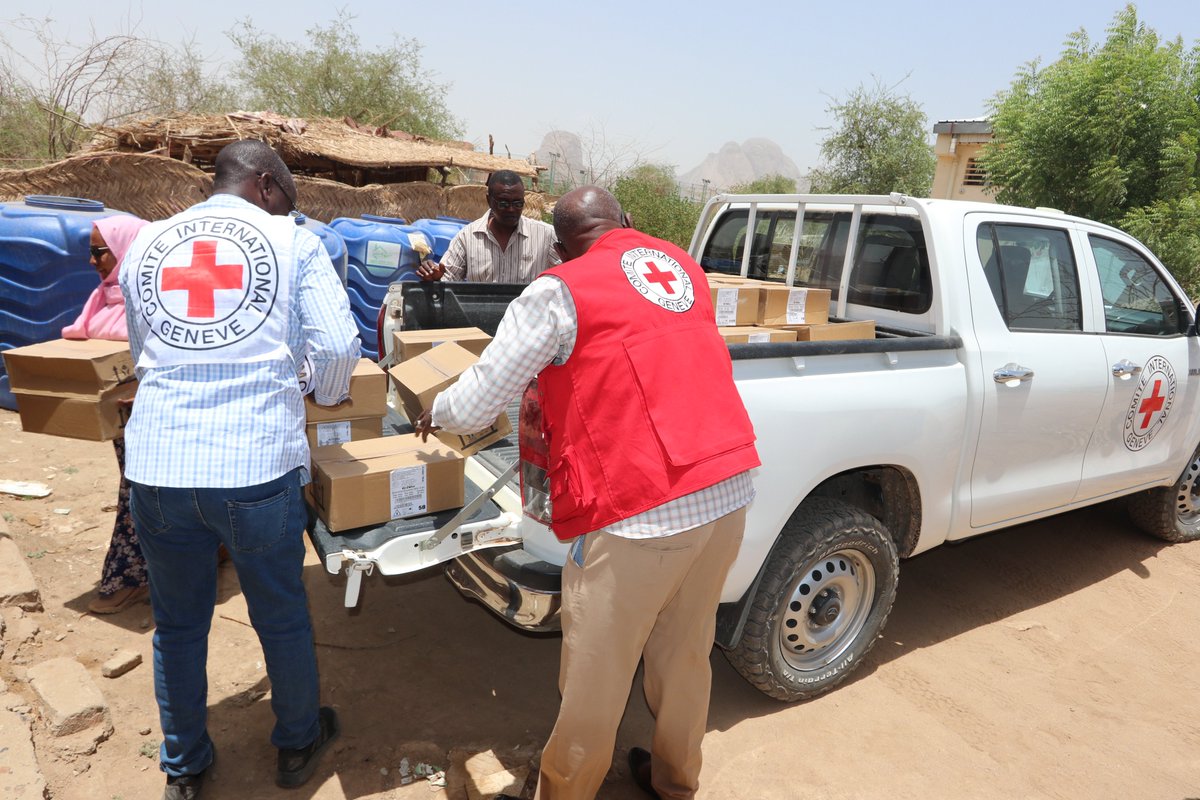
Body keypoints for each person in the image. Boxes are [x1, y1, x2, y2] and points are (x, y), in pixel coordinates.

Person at [415, 186, 760, 800]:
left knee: (595, 682)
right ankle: (676, 782)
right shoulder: (683, 268)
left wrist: (432, 407)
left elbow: (479, 400)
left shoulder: (558, 290)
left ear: (561, 245)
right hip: (726, 491)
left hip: (640, 514)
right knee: (684, 656)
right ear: (628, 222)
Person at [118, 140, 361, 800]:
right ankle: (297, 741)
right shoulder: (290, 241)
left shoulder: (146, 242)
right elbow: (338, 346)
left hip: (160, 466)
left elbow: (143, 354)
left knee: (177, 625)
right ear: (264, 183)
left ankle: (185, 765)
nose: (289, 207)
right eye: (287, 194)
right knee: (280, 615)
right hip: (254, 462)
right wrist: (326, 392)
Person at [62, 215, 152, 614]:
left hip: (152, 414)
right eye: (91, 252)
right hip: (119, 418)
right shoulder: (103, 295)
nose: (93, 261)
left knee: (140, 491)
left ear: (125, 247)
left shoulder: (150, 297)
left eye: (100, 251)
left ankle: (127, 578)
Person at [415, 170, 559, 283]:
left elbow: (569, 273)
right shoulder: (468, 237)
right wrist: (434, 276)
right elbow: (447, 279)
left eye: (518, 204)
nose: (511, 209)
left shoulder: (545, 235)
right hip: (480, 318)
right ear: (489, 200)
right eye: (503, 204)